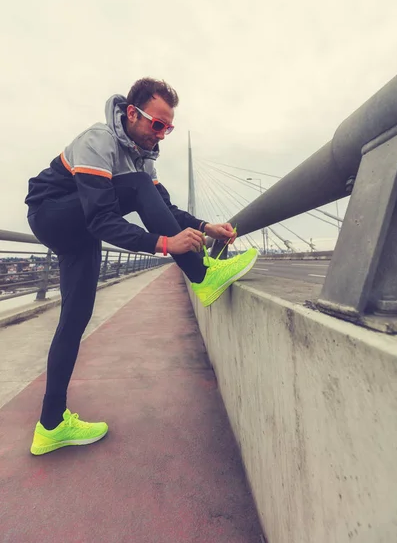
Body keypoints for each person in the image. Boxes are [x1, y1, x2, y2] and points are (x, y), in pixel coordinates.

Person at [25, 78, 257, 456]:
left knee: (74, 320)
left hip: (82, 229)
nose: (162, 135)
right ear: (132, 114)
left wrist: (203, 227)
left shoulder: (142, 159)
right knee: (134, 186)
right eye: (157, 124)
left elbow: (162, 209)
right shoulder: (97, 141)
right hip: (51, 214)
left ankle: (50, 426)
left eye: (169, 128)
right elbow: (102, 218)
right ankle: (202, 275)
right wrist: (165, 244)